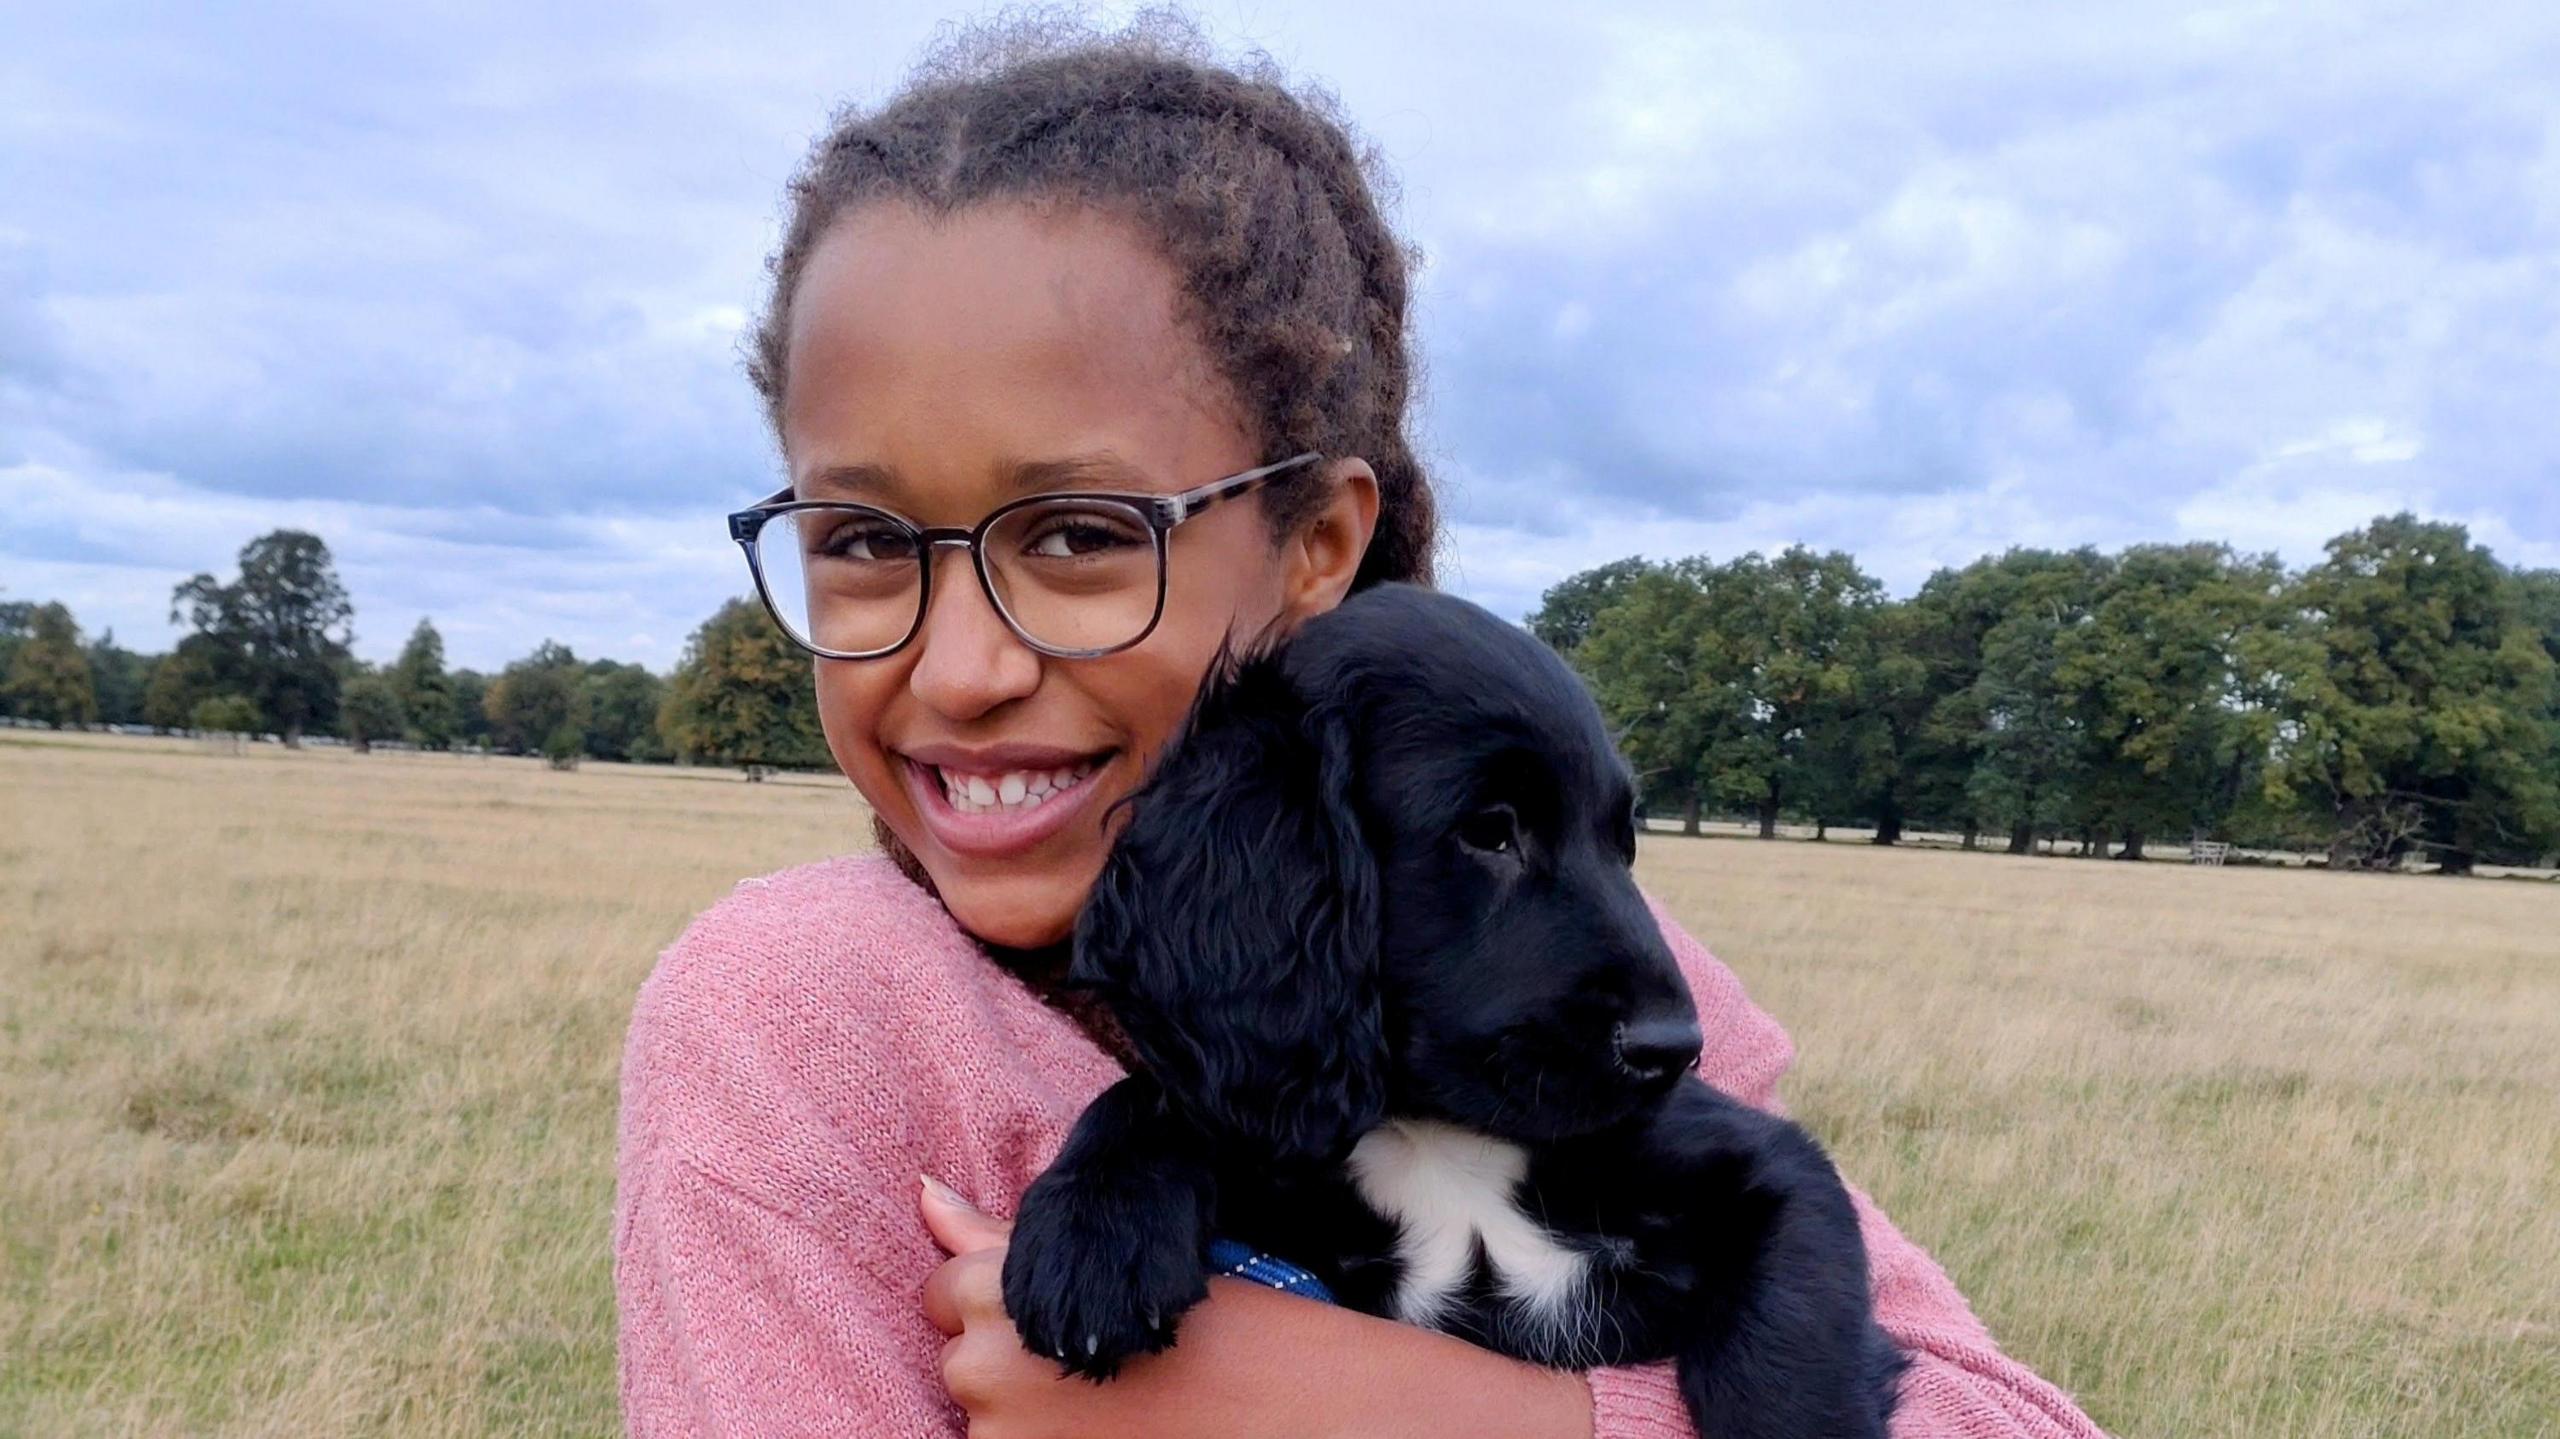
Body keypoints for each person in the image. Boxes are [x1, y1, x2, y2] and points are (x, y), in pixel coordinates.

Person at [615, 16, 2108, 1438]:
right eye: (863, 540)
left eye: (1077, 534)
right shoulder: (809, 1015)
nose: (960, 669)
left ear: (1320, 543)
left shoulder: (1611, 999)